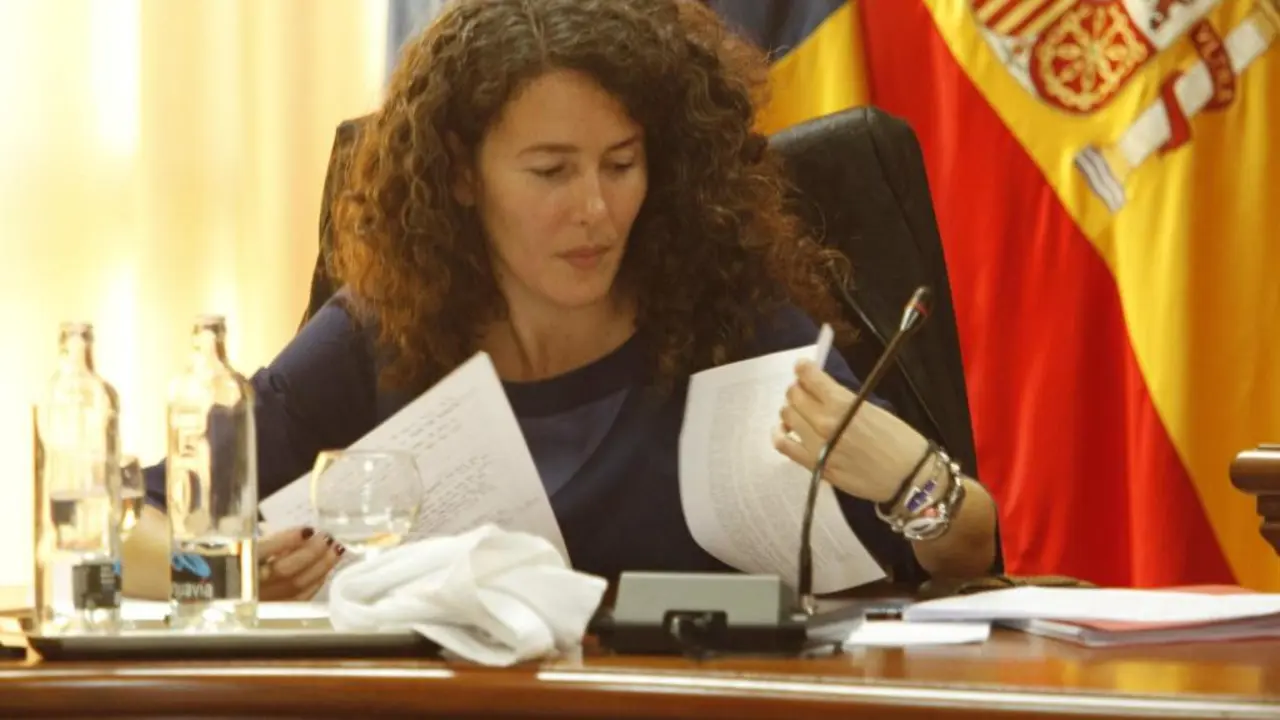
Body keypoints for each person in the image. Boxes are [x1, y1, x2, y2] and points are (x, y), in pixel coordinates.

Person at [123, 0, 1000, 601]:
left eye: (621, 164)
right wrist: (225, 575)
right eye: (550, 171)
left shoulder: (730, 315)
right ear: (462, 176)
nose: (595, 209)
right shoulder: (381, 328)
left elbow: (966, 552)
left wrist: (917, 483)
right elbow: (128, 537)